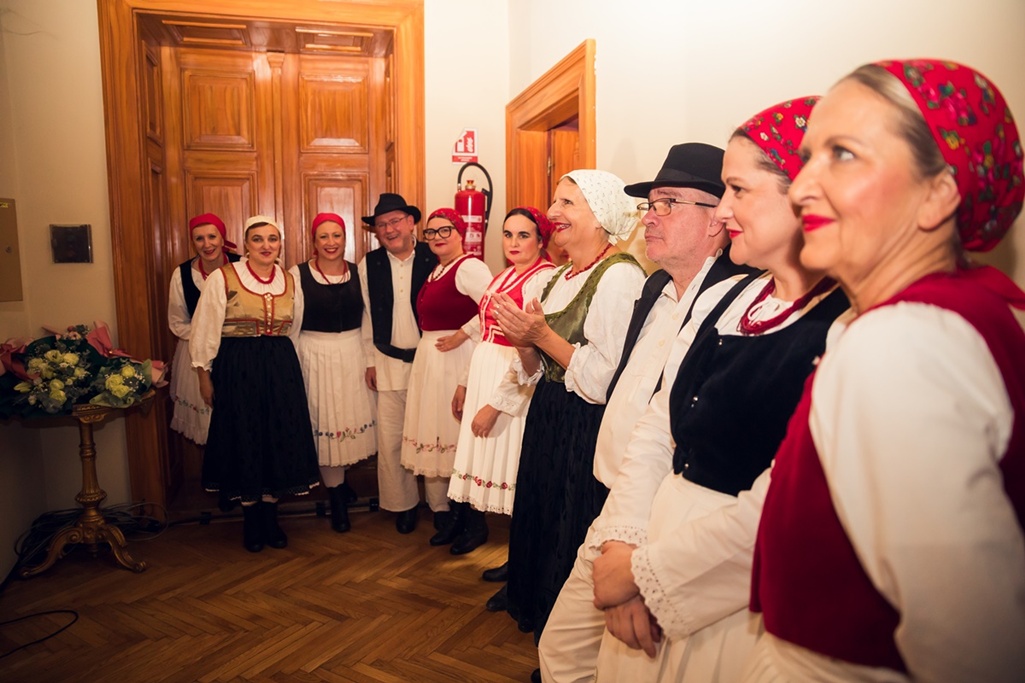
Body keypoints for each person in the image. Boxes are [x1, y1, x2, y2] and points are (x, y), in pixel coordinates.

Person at [744, 59, 1025, 683]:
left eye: (843, 154)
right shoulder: (954, 314)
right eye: (807, 157)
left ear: (938, 194)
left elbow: (969, 645)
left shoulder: (899, 344)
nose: (801, 187)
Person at [587, 97, 849, 682]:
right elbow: (660, 423)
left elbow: (790, 506)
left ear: (805, 194)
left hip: (728, 585)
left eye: (738, 190)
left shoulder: (846, 323)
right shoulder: (730, 298)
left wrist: (647, 575)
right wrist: (624, 541)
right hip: (656, 530)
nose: (724, 210)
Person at [538, 143, 756, 680]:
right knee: (561, 651)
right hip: (616, 501)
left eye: (668, 203)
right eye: (649, 204)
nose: (650, 217)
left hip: (666, 517)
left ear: (717, 219)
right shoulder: (655, 286)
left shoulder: (735, 301)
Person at [492, 170, 647, 658]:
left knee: (568, 524)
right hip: (550, 413)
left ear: (600, 216)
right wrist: (523, 342)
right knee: (542, 517)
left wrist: (540, 335)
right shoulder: (558, 277)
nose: (552, 212)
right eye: (555, 202)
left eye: (567, 204)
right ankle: (541, 623)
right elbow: (536, 370)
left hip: (584, 424)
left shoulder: (619, 277)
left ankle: (567, 651)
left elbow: (603, 381)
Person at [190, 215, 320, 553]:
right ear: (246, 245)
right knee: (244, 436)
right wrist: (204, 375)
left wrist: (285, 367)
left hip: (279, 365)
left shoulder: (290, 280)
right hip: (238, 365)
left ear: (280, 245)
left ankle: (270, 516)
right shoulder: (223, 278)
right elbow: (204, 328)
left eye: (272, 239)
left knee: (277, 436)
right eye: (258, 239)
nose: (266, 246)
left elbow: (294, 327)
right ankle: (251, 518)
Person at [446, 207, 557, 557]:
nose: (513, 242)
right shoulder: (504, 275)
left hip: (515, 379)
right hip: (486, 369)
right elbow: (484, 331)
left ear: (541, 240)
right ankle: (481, 530)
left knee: (514, 461)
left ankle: (519, 558)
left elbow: (534, 352)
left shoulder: (544, 278)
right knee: (485, 456)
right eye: (508, 234)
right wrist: (465, 382)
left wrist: (496, 405)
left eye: (523, 235)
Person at [398, 208, 492, 544]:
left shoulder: (469, 267)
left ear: (460, 233)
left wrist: (462, 334)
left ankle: (474, 524)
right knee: (442, 438)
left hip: (456, 361)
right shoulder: (439, 269)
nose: (437, 237)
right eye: (431, 232)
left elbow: (494, 306)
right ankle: (455, 516)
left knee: (458, 440)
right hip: (432, 363)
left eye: (445, 230)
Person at [289, 212, 377, 533]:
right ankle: (337, 499)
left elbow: (368, 319)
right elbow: (291, 323)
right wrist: (291, 365)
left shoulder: (358, 272)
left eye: (336, 235)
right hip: (315, 355)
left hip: (353, 353)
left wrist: (370, 360)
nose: (331, 242)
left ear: (345, 238)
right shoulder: (297, 275)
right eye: (323, 236)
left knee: (347, 421)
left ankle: (340, 484)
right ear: (313, 241)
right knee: (326, 422)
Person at [359, 193, 437, 534]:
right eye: (381, 225)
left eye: (394, 221)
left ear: (410, 223)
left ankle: (440, 505)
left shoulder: (435, 256)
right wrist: (369, 361)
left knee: (433, 434)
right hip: (387, 360)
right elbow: (365, 315)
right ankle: (402, 504)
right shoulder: (369, 264)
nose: (389, 230)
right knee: (391, 439)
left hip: (430, 360)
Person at [168, 212, 239, 445]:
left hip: (237, 353)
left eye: (212, 236)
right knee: (208, 429)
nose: (207, 244)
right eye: (199, 238)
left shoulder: (242, 266)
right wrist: (207, 337)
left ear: (222, 238)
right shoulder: (182, 275)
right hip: (196, 357)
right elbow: (177, 322)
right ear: (193, 242)